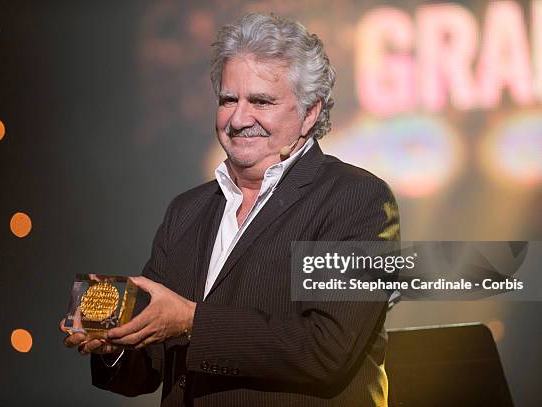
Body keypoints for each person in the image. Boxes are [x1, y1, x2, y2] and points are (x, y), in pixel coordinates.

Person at [60, 12, 400, 406]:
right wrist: (114, 343)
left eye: (261, 101)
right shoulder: (186, 210)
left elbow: (325, 350)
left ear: (309, 113)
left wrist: (191, 321)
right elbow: (147, 369)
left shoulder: (356, 200)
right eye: (227, 100)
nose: (238, 119)